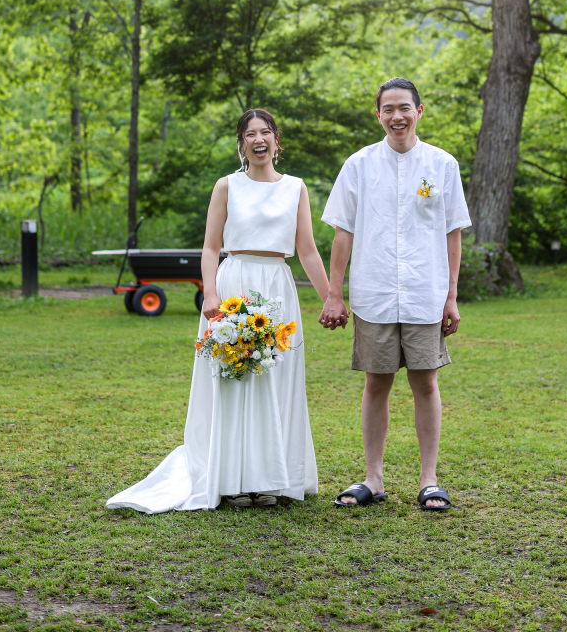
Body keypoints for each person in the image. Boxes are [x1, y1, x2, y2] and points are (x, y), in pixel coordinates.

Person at [106, 107, 330, 512]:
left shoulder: (296, 188)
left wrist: (332, 296)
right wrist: (210, 295)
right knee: (233, 378)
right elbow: (210, 247)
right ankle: (232, 479)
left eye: (266, 132)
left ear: (277, 141)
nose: (258, 140)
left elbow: (308, 250)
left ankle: (271, 479)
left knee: (275, 381)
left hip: (277, 288)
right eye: (250, 134)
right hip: (234, 287)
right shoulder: (227, 185)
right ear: (241, 143)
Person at [319, 77, 471, 512]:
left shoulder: (442, 165)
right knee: (375, 383)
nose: (397, 116)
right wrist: (334, 293)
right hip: (374, 291)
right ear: (379, 114)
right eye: (388, 109)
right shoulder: (359, 165)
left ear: (419, 111)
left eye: (404, 107)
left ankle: (429, 480)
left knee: (425, 382)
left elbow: (452, 233)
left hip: (425, 291)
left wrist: (451, 296)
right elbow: (342, 233)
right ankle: (373, 478)